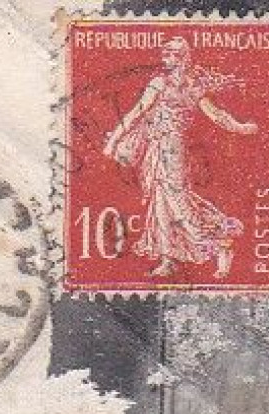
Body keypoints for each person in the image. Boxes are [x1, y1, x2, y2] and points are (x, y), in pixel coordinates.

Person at [103, 37, 258, 279]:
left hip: (171, 148)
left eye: (170, 55)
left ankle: (220, 244)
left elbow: (138, 113)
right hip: (160, 147)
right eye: (166, 55)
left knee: (176, 200)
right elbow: (216, 116)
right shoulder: (177, 84)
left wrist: (241, 127)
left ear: (181, 58)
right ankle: (168, 259)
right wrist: (241, 127)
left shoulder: (174, 85)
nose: (166, 60)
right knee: (161, 201)